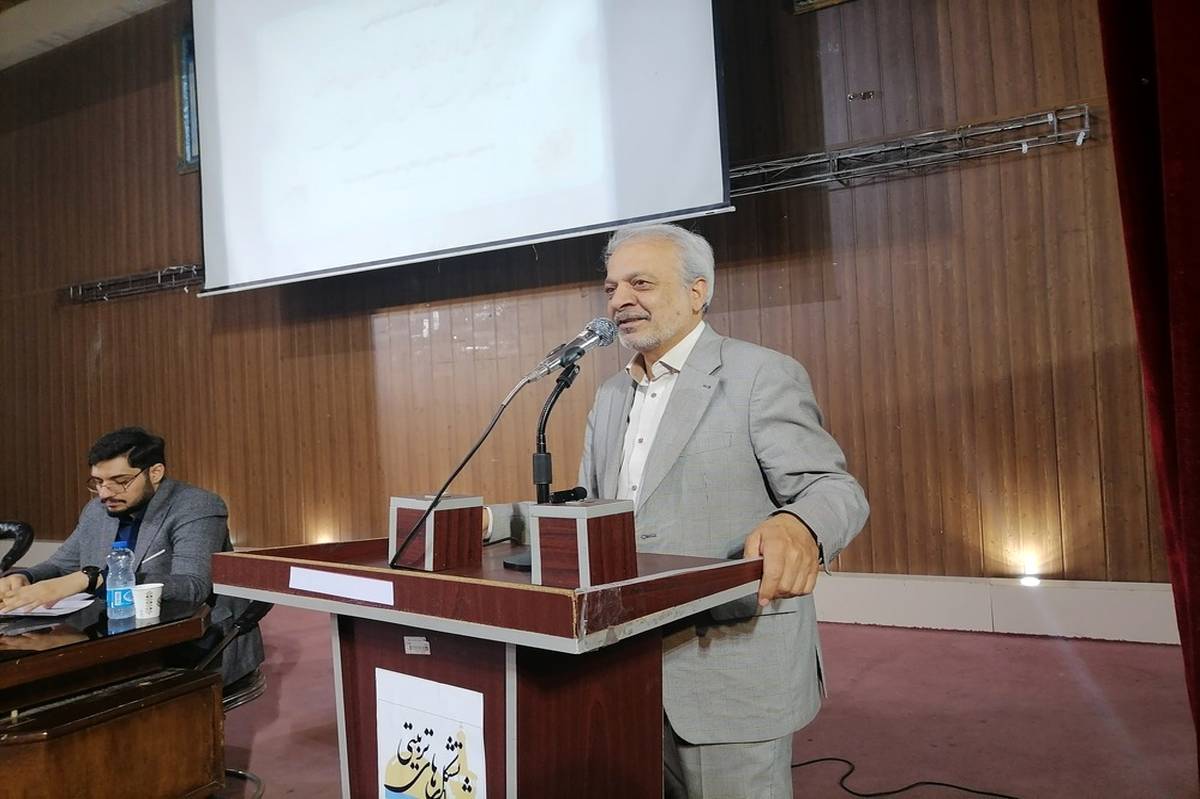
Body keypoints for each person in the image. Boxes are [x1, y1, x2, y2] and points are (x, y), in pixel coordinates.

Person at [493, 223, 869, 798]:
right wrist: (490, 523)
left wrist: (800, 525)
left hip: (728, 664)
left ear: (698, 292)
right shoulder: (610, 395)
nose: (619, 300)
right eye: (611, 288)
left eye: (640, 283)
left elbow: (834, 488)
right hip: (625, 665)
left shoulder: (759, 375)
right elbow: (589, 509)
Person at [0, 427, 263, 684]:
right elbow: (60, 564)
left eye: (120, 481)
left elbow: (192, 587)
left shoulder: (196, 506)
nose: (105, 493)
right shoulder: (96, 510)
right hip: (111, 637)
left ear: (155, 472)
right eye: (98, 482)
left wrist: (94, 579)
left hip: (192, 644)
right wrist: (25, 576)